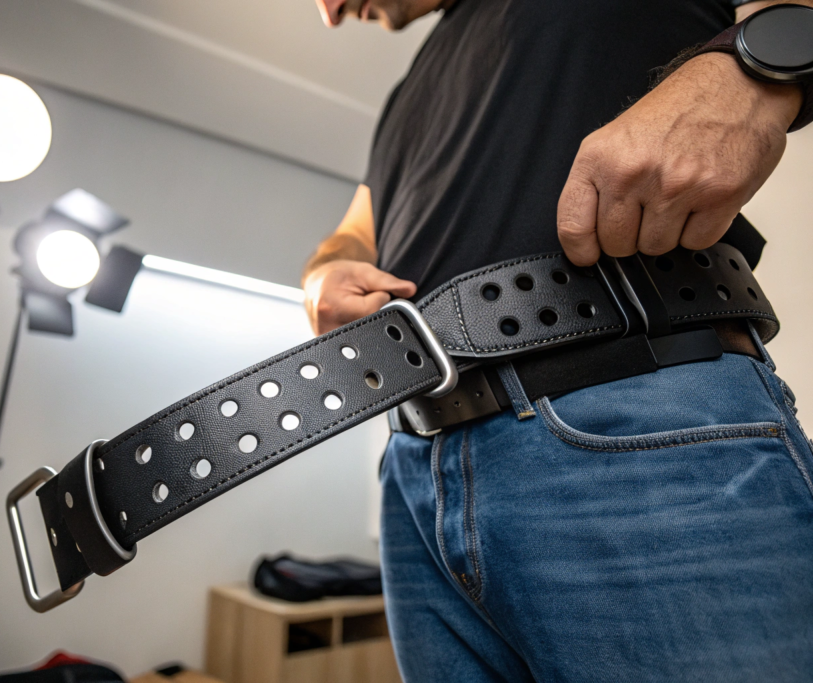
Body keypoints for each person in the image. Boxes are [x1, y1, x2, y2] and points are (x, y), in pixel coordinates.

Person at [301, 0, 813, 680]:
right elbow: (352, 232)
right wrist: (323, 271)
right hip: (413, 471)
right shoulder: (406, 95)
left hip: (629, 419)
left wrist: (750, 72)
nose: (330, 13)